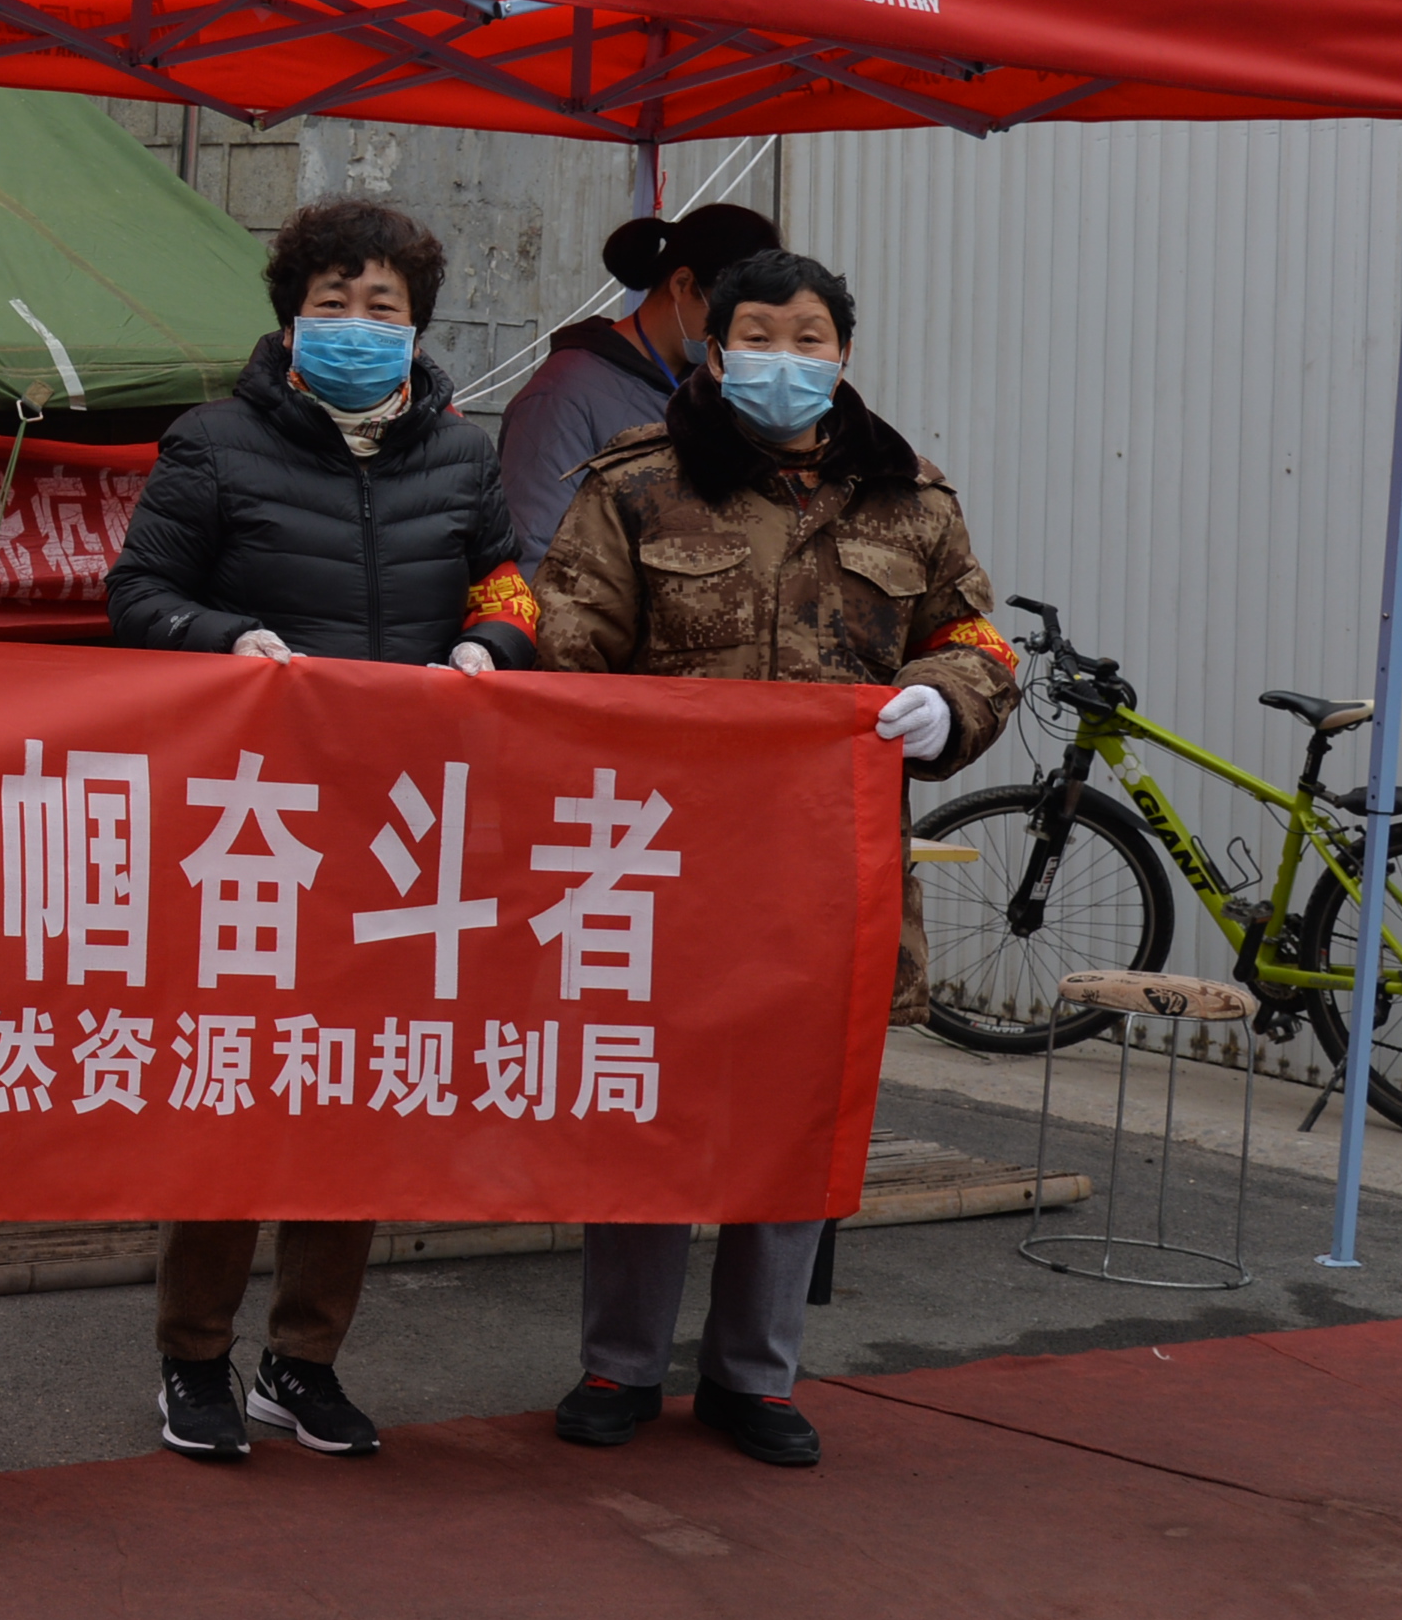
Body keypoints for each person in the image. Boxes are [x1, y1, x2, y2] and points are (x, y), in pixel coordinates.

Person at [530, 246, 1015, 1468]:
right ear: (712, 340)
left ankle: (756, 1372)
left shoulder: (909, 498)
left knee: (794, 1121)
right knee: (648, 1109)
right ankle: (619, 1362)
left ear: (843, 352)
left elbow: (977, 636)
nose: (783, 358)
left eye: (810, 337)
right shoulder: (636, 487)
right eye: (759, 332)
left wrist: (943, 698)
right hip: (655, 861)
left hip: (826, 870)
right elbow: (569, 643)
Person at [108, 198, 542, 1465]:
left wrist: (490, 641)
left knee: (360, 1090)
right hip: (253, 824)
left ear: (420, 323)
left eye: (386, 307)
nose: (360, 326)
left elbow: (507, 580)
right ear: (291, 313)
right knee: (240, 1086)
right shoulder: (213, 442)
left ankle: (305, 1359)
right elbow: (139, 591)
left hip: (402, 827)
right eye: (336, 303)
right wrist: (223, 640)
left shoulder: (463, 456)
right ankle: (194, 1358)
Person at [493, 203, 782, 565]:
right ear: (683, 285)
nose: (742, 335)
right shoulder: (560, 397)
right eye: (735, 314)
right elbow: (538, 558)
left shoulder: (716, 388)